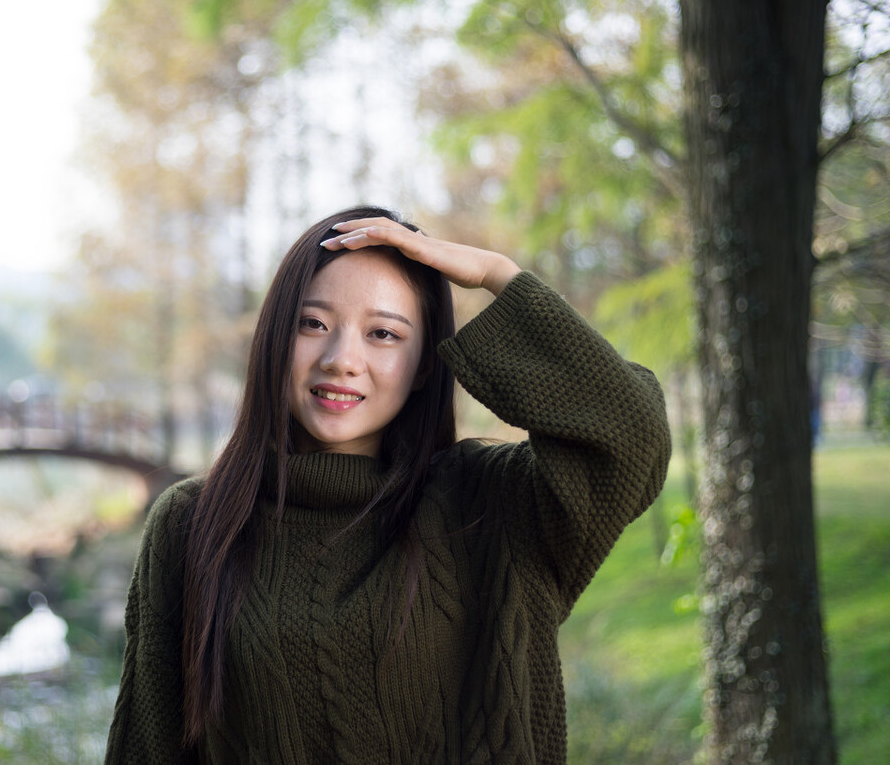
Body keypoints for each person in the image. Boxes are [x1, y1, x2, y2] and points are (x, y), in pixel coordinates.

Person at [105, 206, 672, 764]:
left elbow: (632, 436)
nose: (341, 360)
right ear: (276, 337)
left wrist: (496, 275)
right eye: (313, 324)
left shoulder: (492, 504)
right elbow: (147, 744)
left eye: (383, 333)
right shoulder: (192, 521)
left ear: (425, 362)